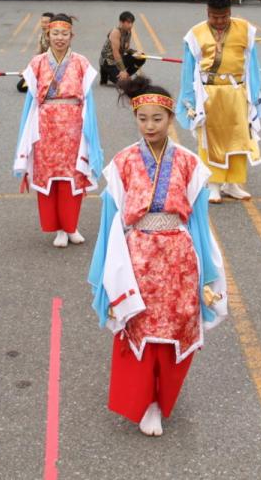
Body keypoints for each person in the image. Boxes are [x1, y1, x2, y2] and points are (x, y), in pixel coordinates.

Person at [88, 75, 227, 437]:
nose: (149, 126)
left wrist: (207, 273)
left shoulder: (190, 164)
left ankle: (163, 399)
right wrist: (107, 272)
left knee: (177, 325)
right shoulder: (122, 163)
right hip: (138, 256)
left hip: (178, 256)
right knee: (140, 325)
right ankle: (144, 400)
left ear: (171, 119)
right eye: (142, 119)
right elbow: (110, 222)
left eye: (157, 119)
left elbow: (199, 223)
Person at [14, 13, 104, 247]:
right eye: (55, 33)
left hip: (73, 127)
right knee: (49, 178)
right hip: (45, 127)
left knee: (72, 177)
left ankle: (71, 225)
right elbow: (31, 101)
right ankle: (58, 229)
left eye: (65, 33)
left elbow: (88, 100)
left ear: (71, 35)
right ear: (48, 34)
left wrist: (89, 131)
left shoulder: (82, 63)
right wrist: (26, 133)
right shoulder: (37, 63)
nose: (60, 38)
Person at [176, 0, 261, 204]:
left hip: (237, 92)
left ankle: (233, 183)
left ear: (230, 12)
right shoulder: (195, 34)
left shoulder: (245, 30)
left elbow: (252, 64)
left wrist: (255, 94)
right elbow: (188, 70)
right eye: (214, 17)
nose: (219, 21)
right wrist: (188, 99)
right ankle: (214, 184)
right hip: (209, 94)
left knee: (239, 137)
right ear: (207, 12)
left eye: (224, 16)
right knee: (211, 139)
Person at [99, 11, 147, 86]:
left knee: (142, 57)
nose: (130, 25)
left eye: (132, 23)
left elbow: (126, 49)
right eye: (128, 22)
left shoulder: (128, 31)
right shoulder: (116, 32)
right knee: (124, 84)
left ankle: (125, 76)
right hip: (109, 62)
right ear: (121, 22)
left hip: (118, 60)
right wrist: (123, 70)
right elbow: (116, 53)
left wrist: (135, 52)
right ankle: (107, 73)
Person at [17, 12, 54, 93]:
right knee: (21, 86)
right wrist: (27, 70)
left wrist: (30, 71)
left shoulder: (54, 38)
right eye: (42, 22)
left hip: (53, 69)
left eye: (46, 22)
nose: (43, 24)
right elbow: (38, 55)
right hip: (43, 67)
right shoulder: (41, 36)